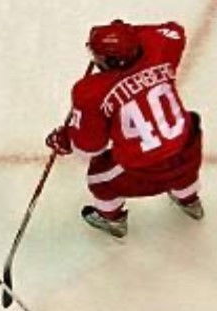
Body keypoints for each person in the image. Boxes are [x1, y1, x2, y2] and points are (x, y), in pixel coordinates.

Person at [46, 19, 204, 238]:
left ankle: (113, 220)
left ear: (111, 60)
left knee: (99, 180)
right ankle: (190, 201)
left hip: (144, 170)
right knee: (183, 170)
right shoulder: (160, 50)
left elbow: (89, 148)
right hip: (187, 150)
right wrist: (128, 32)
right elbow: (174, 30)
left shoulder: (89, 91)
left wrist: (67, 139)